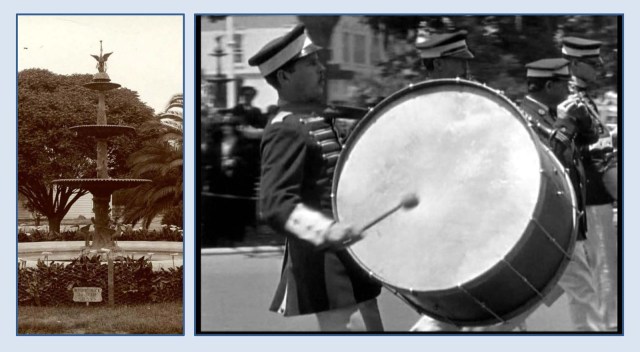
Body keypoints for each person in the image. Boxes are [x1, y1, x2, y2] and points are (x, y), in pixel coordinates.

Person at [248, 24, 383, 332]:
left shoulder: (316, 118)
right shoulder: (286, 129)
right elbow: (274, 204)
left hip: (349, 257)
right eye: (311, 64)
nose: (321, 69)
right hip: (327, 265)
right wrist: (326, 229)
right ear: (284, 76)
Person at [521, 57, 608, 331]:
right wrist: (564, 125)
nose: (569, 89)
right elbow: (548, 164)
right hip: (547, 227)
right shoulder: (525, 117)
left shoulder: (550, 114)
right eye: (563, 83)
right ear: (548, 85)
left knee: (525, 302)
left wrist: (581, 122)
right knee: (585, 294)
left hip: (561, 225)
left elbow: (592, 139)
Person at [561, 36, 618, 331]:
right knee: (603, 283)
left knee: (587, 289)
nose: (600, 67)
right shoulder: (573, 107)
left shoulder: (585, 103)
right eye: (593, 63)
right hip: (591, 203)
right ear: (574, 65)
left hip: (594, 202)